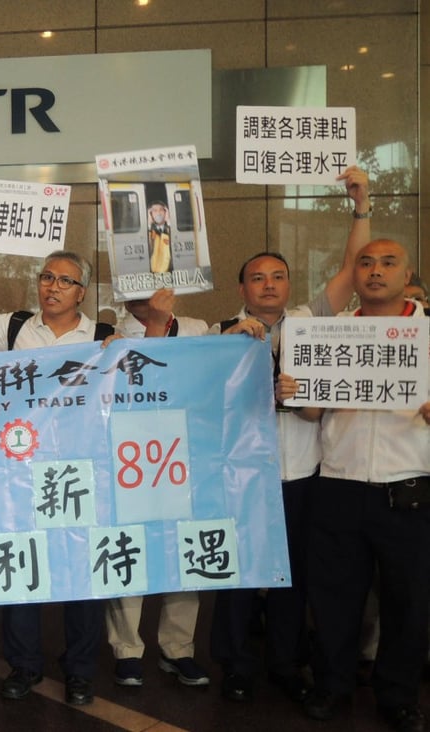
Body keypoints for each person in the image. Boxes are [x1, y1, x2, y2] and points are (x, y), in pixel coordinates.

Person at [210, 166, 370, 704]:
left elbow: (353, 268)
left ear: (289, 286)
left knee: (290, 575)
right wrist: (231, 347)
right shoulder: (219, 335)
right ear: (242, 288)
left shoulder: (310, 322)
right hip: (238, 476)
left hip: (300, 471)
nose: (269, 285)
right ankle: (233, 664)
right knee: (235, 574)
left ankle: (283, 661)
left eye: (277, 276)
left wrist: (361, 206)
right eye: (258, 278)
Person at [0, 228, 114, 705]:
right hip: (19, 469)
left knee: (84, 575)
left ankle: (80, 670)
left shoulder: (104, 337)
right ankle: (24, 666)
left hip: (80, 472)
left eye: (64, 281)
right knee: (21, 570)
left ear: (81, 292)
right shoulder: (18, 327)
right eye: (46, 277)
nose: (52, 287)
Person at [298, 239, 430, 732]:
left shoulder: (427, 333)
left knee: (409, 601)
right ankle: (332, 685)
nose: (375, 271)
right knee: (333, 597)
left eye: (388, 263)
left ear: (407, 272)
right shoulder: (331, 334)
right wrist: (295, 391)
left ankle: (397, 694)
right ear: (353, 274)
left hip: (409, 486)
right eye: (365, 262)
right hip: (339, 483)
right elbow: (312, 412)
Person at [104, 288, 211, 688]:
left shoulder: (199, 329)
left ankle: (178, 648)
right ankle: (127, 650)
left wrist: (247, 334)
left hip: (186, 455)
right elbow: (132, 387)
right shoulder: (112, 336)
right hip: (130, 457)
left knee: (184, 554)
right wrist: (154, 324)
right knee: (128, 551)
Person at [148, 200, 172, 273]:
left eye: (161, 210)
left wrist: (168, 222)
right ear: (151, 214)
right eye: (155, 211)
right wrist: (149, 224)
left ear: (165, 212)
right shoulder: (149, 230)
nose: (158, 213)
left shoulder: (170, 228)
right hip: (153, 273)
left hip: (168, 272)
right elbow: (149, 246)